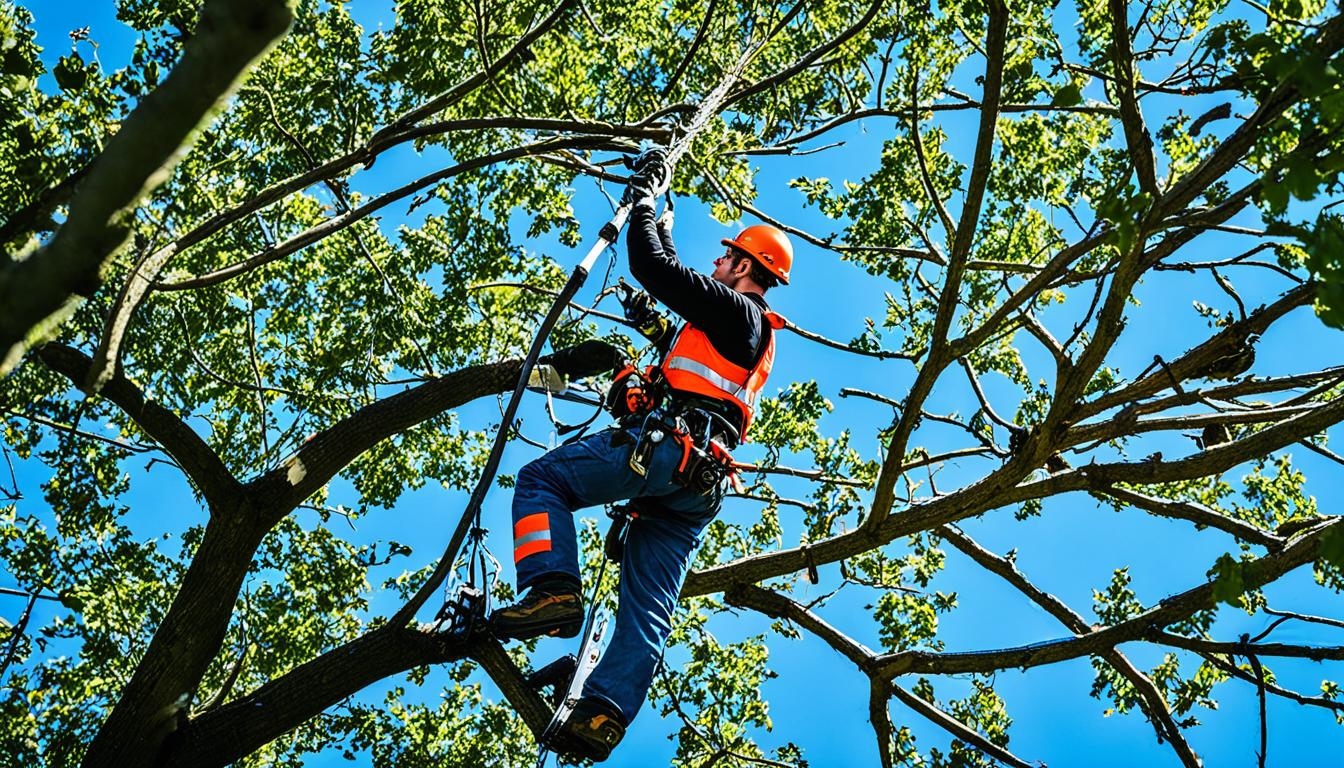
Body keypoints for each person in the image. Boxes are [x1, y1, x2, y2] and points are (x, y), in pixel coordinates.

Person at [490, 148, 793, 761]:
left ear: (744, 265)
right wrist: (650, 342)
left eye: (726, 256)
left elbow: (652, 264)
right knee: (648, 605)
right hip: (697, 484)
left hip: (667, 451)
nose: (716, 261)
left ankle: (552, 589)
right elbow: (692, 367)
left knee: (540, 482)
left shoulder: (740, 311)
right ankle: (603, 714)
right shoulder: (738, 333)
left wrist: (648, 201)